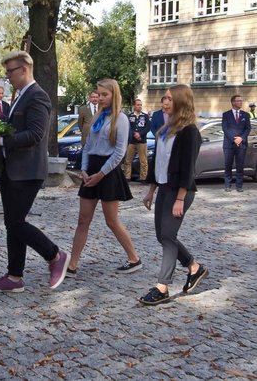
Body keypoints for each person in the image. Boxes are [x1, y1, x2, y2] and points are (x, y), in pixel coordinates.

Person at [0, 51, 70, 292]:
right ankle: (15, 276)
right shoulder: (19, 96)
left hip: (28, 171)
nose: (7, 77)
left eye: (10, 71)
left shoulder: (38, 96)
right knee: (12, 223)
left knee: (17, 223)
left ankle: (55, 255)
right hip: (13, 169)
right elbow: (13, 131)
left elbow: (35, 135)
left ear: (24, 69)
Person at [139, 84, 207, 305]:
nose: (164, 102)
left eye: (169, 98)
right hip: (164, 188)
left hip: (180, 191)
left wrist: (180, 198)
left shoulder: (189, 131)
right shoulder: (164, 129)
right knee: (162, 236)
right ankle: (193, 267)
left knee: (168, 236)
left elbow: (188, 168)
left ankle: (162, 286)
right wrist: (151, 190)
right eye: (163, 98)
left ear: (180, 101)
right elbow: (157, 162)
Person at [66, 79, 142, 277]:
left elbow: (119, 153)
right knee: (83, 219)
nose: (100, 98)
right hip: (91, 169)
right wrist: (83, 170)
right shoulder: (97, 117)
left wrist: (100, 175)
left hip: (108, 171)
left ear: (114, 95)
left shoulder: (121, 119)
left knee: (112, 221)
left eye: (104, 95)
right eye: (98, 94)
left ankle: (134, 258)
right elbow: (88, 146)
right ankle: (72, 264)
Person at [221, 95, 251, 192]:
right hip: (229, 144)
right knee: (228, 165)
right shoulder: (226, 115)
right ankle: (227, 185)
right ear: (233, 102)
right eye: (238, 101)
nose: (241, 102)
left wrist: (241, 138)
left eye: (241, 101)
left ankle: (239, 186)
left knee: (240, 165)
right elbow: (225, 128)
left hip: (241, 144)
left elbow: (248, 128)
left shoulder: (245, 115)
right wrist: (234, 139)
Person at [123, 99, 151, 181]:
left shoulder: (145, 116)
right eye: (138, 105)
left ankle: (143, 177)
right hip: (132, 141)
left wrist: (140, 134)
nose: (139, 106)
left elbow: (148, 127)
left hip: (142, 141)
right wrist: (134, 134)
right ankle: (127, 177)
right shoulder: (130, 116)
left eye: (140, 105)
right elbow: (127, 127)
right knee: (128, 160)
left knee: (143, 161)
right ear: (134, 106)